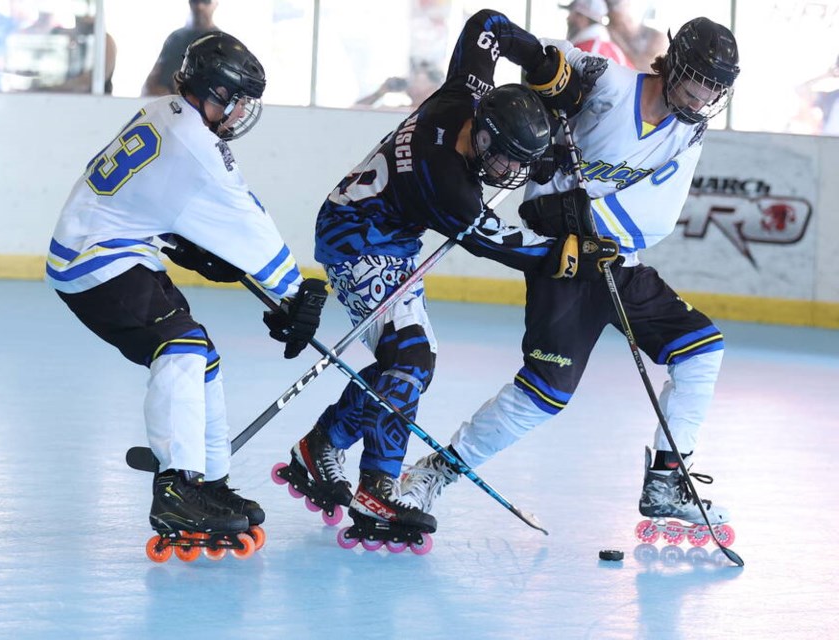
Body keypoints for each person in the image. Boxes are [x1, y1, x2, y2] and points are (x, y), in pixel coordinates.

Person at [401, 18, 740, 537]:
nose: (701, 101)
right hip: (562, 262)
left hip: (616, 261)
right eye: (697, 85)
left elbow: (659, 213)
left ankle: (667, 480)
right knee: (543, 395)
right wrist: (542, 72)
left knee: (701, 350)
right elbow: (545, 57)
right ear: (676, 66)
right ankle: (435, 472)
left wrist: (588, 219)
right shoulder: (609, 81)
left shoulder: (690, 128)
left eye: (713, 92)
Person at [279, 9, 603, 544]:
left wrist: (546, 67)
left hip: (386, 236)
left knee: (407, 364)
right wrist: (567, 255)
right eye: (505, 164)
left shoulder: (462, 97)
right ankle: (377, 483)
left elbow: (489, 24)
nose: (508, 176)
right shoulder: (449, 188)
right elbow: (497, 242)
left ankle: (324, 444)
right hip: (357, 242)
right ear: (482, 141)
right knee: (410, 358)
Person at [46, 32, 327, 551]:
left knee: (203, 356)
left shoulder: (168, 110)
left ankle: (208, 482)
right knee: (180, 347)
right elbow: (246, 218)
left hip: (119, 249)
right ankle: (175, 488)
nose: (242, 112)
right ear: (212, 92)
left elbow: (156, 194)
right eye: (237, 99)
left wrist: (184, 243)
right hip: (95, 260)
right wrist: (295, 293)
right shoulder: (196, 144)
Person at [142, 0, 218, 96]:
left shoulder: (221, 42)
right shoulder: (175, 39)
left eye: (205, 1)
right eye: (195, 1)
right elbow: (150, 86)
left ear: (215, 4)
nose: (199, 6)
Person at [560, 0, 632, 68]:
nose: (568, 18)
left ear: (582, 18)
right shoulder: (612, 48)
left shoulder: (584, 51)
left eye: (572, 13)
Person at [605, 0, 667, 73]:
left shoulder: (657, 36)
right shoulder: (606, 34)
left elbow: (645, 67)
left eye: (617, 4)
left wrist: (619, 43)